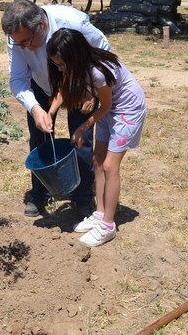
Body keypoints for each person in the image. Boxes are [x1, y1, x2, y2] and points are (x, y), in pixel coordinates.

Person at [1, 0, 111, 218]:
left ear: (41, 25)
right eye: (18, 43)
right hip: (39, 85)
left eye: (26, 42)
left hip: (79, 84)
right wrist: (35, 108)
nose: (22, 47)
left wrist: (91, 89)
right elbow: (18, 78)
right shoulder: (17, 37)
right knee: (38, 138)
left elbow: (103, 53)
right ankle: (40, 193)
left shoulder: (73, 23)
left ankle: (82, 197)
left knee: (81, 139)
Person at [46, 28, 146, 246]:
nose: (60, 69)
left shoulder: (98, 72)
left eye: (62, 64)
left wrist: (82, 128)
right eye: (57, 65)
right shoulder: (77, 68)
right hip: (110, 111)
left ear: (75, 56)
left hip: (127, 110)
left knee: (110, 166)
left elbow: (106, 106)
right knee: (97, 160)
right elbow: (64, 88)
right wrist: (50, 112)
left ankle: (108, 225)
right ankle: (100, 214)